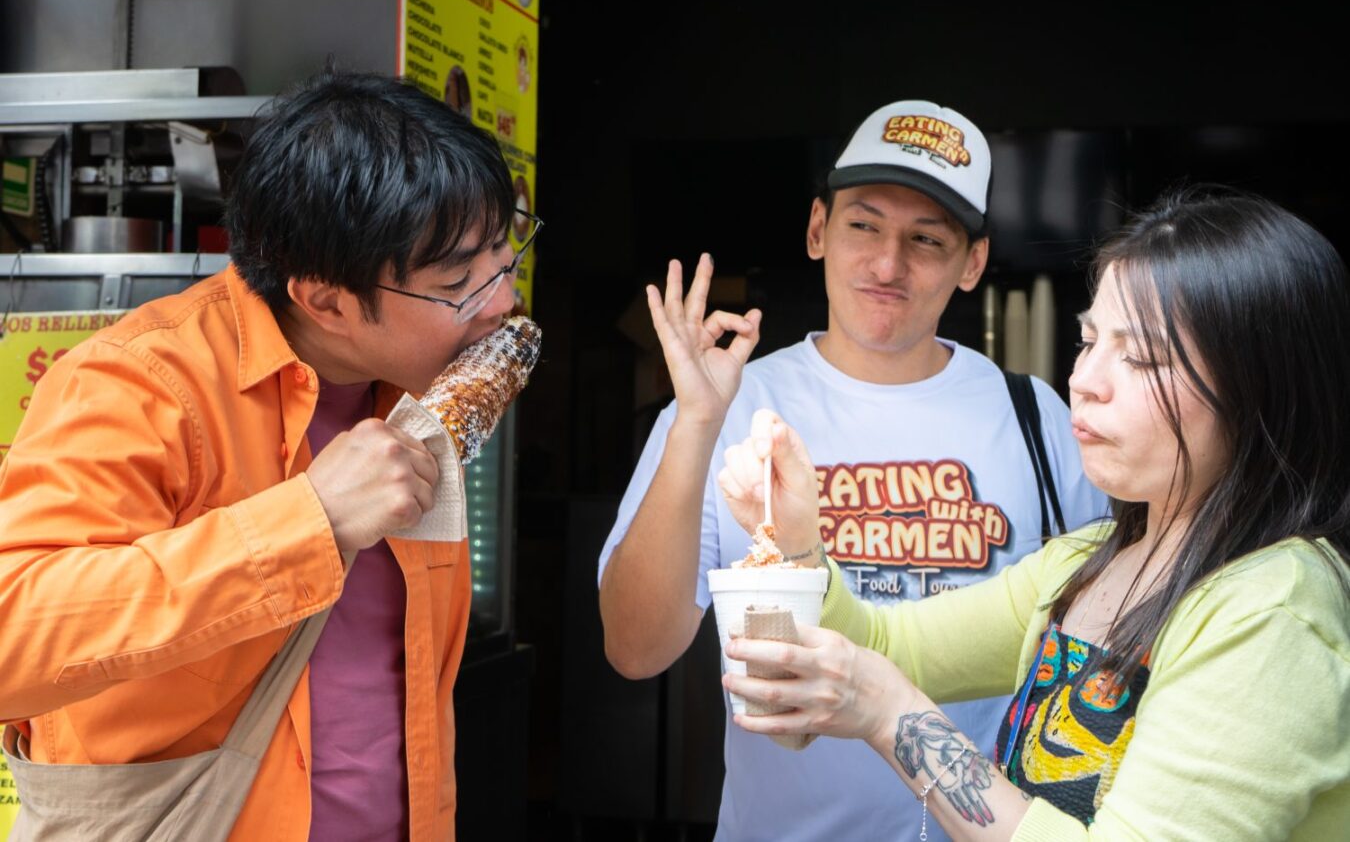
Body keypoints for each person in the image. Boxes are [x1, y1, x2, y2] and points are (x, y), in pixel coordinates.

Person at [0, 70, 541, 841]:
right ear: (326, 301)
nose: (503, 301)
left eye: (504, 254)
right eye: (459, 281)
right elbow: (13, 638)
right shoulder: (141, 384)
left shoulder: (411, 395)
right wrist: (309, 522)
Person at [717, 188, 1350, 840]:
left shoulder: (1274, 609)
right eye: (1089, 340)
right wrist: (799, 539)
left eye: (1141, 357)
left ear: (1258, 388)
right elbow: (883, 647)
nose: (1085, 381)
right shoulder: (1084, 563)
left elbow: (882, 679)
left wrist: (889, 713)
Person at [597, 100, 1106, 841]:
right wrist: (695, 425)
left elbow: (1110, 645)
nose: (888, 265)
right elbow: (635, 648)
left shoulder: (1039, 421)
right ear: (817, 230)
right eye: (864, 225)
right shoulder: (728, 404)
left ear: (972, 263)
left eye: (926, 238)